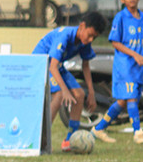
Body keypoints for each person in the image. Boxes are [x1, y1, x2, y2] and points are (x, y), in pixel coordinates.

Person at [33, 11, 107, 151]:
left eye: (94, 37)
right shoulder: (64, 36)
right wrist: (65, 91)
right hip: (41, 64)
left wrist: (91, 92)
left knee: (79, 94)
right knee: (59, 94)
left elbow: (85, 65)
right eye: (90, 35)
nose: (91, 39)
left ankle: (70, 140)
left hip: (56, 66)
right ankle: (41, 139)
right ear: (82, 26)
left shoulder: (85, 41)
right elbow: (52, 67)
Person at [93, 0, 143, 144]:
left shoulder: (142, 16)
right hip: (125, 65)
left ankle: (99, 128)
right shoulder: (120, 17)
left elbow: (134, 39)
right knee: (131, 97)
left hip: (137, 66)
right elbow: (116, 42)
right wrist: (135, 55)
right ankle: (138, 132)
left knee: (122, 101)